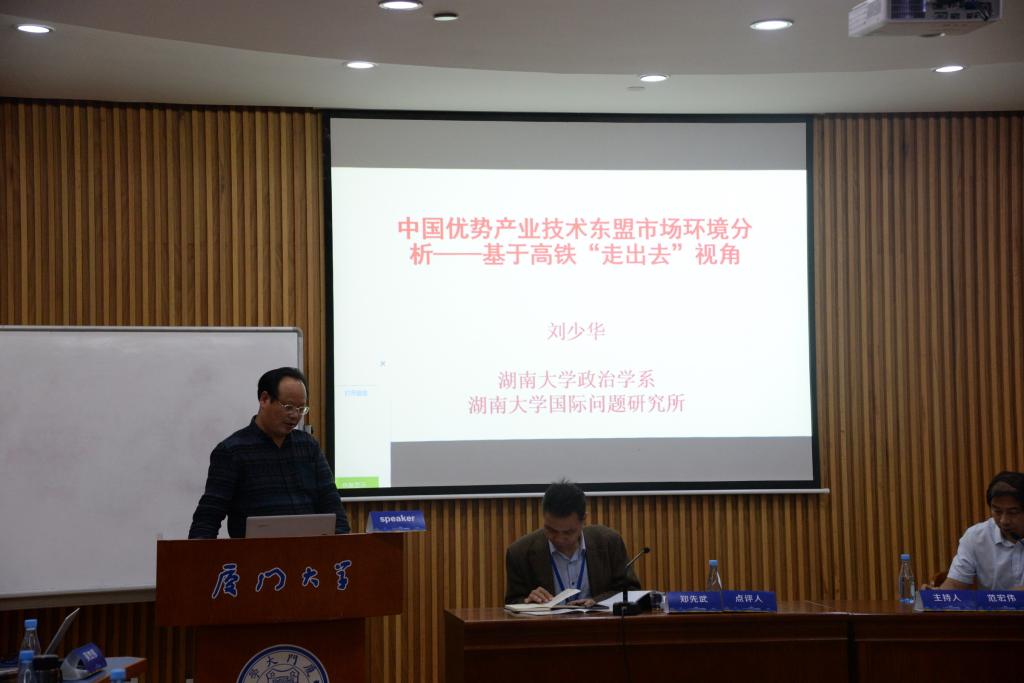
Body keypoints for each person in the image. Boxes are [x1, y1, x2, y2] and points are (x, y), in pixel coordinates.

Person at [188, 367, 350, 538]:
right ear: (264, 399)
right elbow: (207, 519)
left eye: (301, 408)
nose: (295, 415)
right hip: (256, 553)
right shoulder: (232, 451)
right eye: (288, 407)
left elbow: (332, 505)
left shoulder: (309, 446)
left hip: (310, 552)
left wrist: (342, 545)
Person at [505, 480, 641, 606]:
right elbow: (512, 604)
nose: (559, 538)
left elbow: (630, 591)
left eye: (568, 532)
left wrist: (597, 602)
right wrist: (528, 601)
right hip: (546, 624)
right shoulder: (520, 552)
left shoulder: (608, 543)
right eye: (551, 530)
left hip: (599, 622)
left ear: (584, 520)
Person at [936, 471, 1024, 590]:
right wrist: (934, 596)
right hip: (992, 603)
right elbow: (955, 584)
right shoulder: (976, 537)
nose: (1004, 520)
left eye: (1013, 512)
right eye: (997, 511)